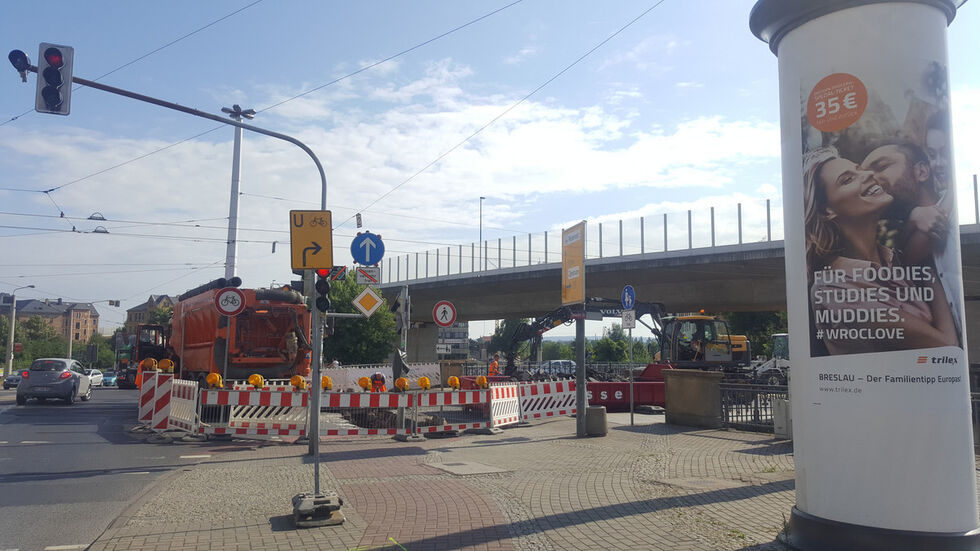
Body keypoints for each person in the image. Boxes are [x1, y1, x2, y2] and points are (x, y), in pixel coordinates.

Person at [803, 146, 956, 355]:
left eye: (859, 169)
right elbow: (948, 348)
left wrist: (913, 218)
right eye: (847, 179)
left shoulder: (893, 259)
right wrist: (925, 265)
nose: (868, 174)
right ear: (826, 211)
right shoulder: (834, 291)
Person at [861, 141, 962, 345]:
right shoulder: (892, 248)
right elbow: (907, 257)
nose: (870, 181)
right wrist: (913, 218)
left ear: (922, 171)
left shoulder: (952, 220)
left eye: (880, 167)